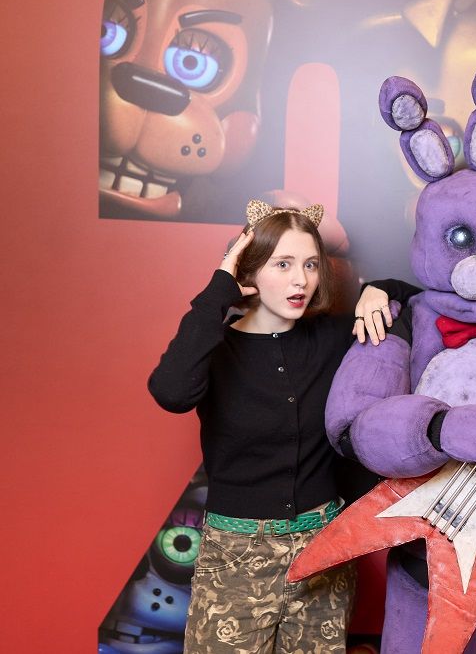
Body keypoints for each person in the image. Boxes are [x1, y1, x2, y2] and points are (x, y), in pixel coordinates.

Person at [148, 200, 416, 653]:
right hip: (235, 556)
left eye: (310, 264)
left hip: (324, 550)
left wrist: (381, 290)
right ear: (250, 270)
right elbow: (171, 391)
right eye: (283, 264)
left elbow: (428, 302)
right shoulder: (216, 347)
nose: (301, 280)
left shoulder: (333, 336)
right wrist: (220, 286)